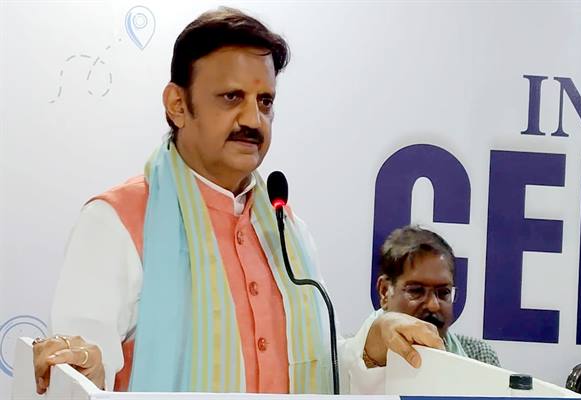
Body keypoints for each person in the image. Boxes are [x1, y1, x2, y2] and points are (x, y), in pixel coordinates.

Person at [32, 7, 445, 395]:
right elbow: (81, 372)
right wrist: (82, 366)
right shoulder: (116, 222)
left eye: (265, 101)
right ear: (178, 105)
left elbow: (316, 370)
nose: (253, 120)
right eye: (232, 97)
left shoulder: (287, 232)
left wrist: (371, 345)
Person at [375, 226, 500, 366]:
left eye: (443, 293)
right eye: (416, 291)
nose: (433, 305)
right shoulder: (358, 359)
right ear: (384, 291)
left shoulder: (479, 358)